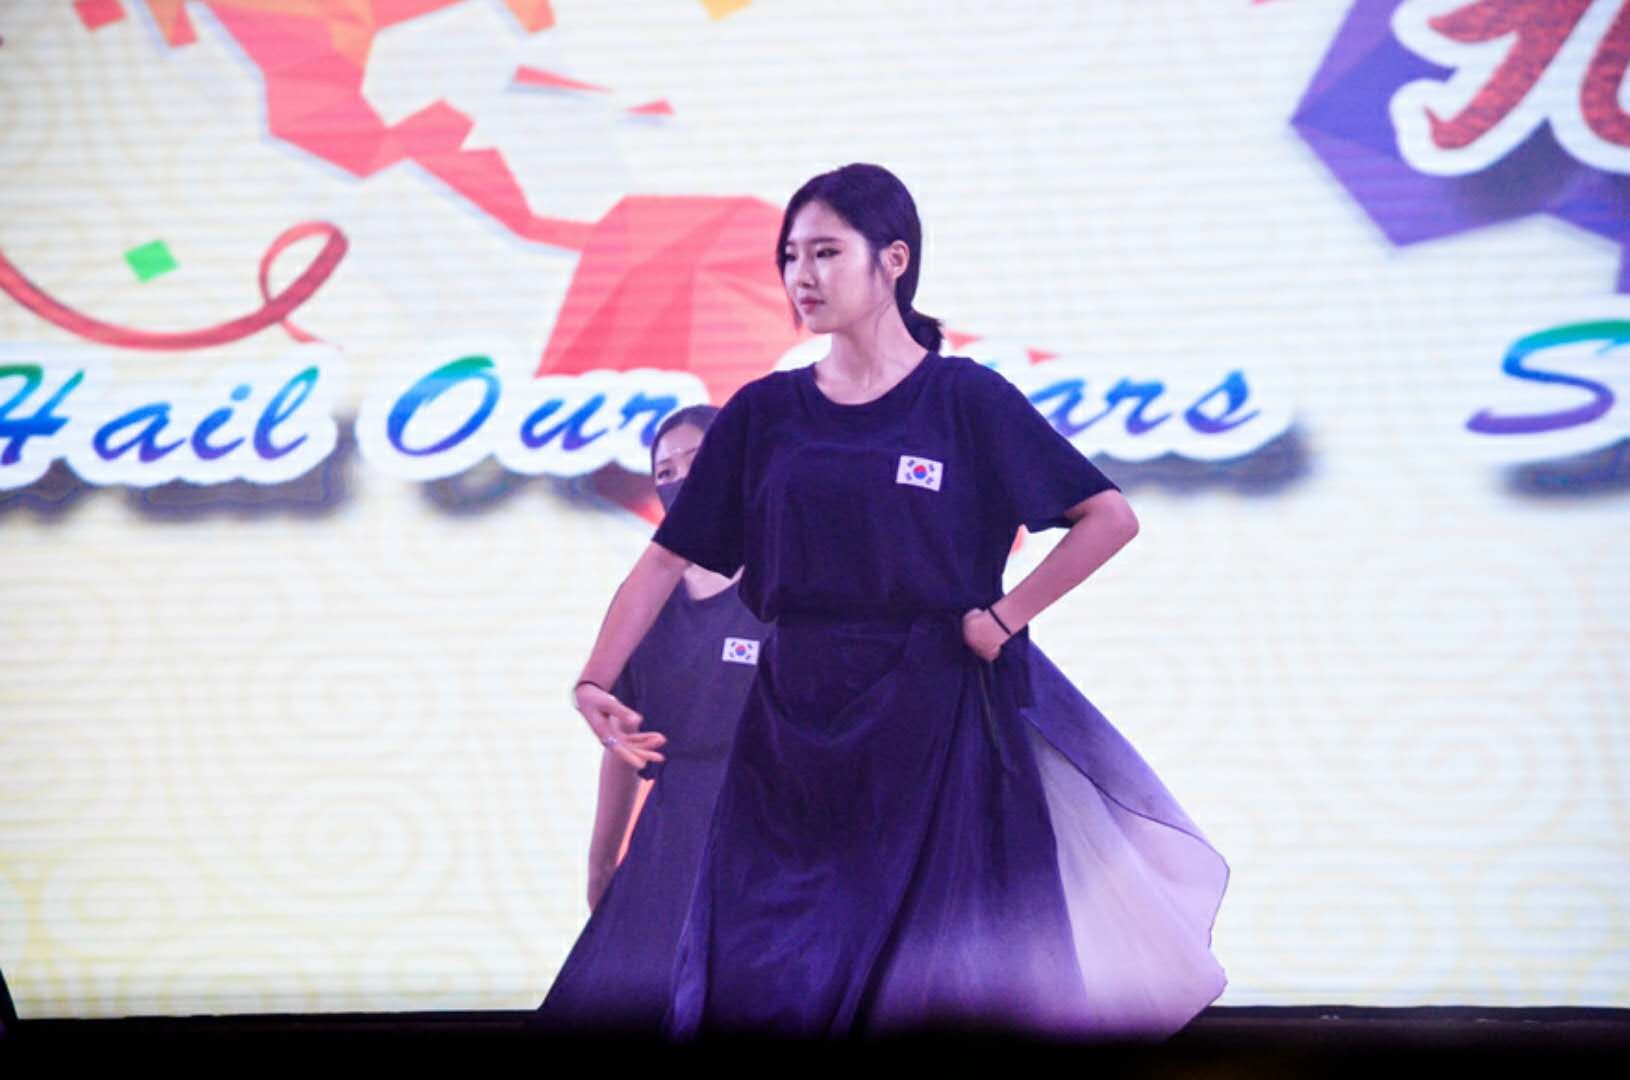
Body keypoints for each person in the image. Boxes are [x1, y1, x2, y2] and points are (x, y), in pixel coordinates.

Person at [569, 162, 1227, 1039]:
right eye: (790, 255)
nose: (802, 275)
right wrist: (595, 679)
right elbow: (662, 562)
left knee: (938, 979)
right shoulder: (764, 413)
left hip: (938, 718)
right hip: (793, 724)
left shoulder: (965, 399)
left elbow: (1107, 518)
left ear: (894, 259)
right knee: (765, 965)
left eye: (826, 252)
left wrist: (1004, 618)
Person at [534, 405, 770, 1033]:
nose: (680, 481)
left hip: (767, 835)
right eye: (664, 472)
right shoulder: (645, 601)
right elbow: (624, 741)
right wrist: (602, 864)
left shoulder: (787, 586)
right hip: (669, 842)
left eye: (697, 462)